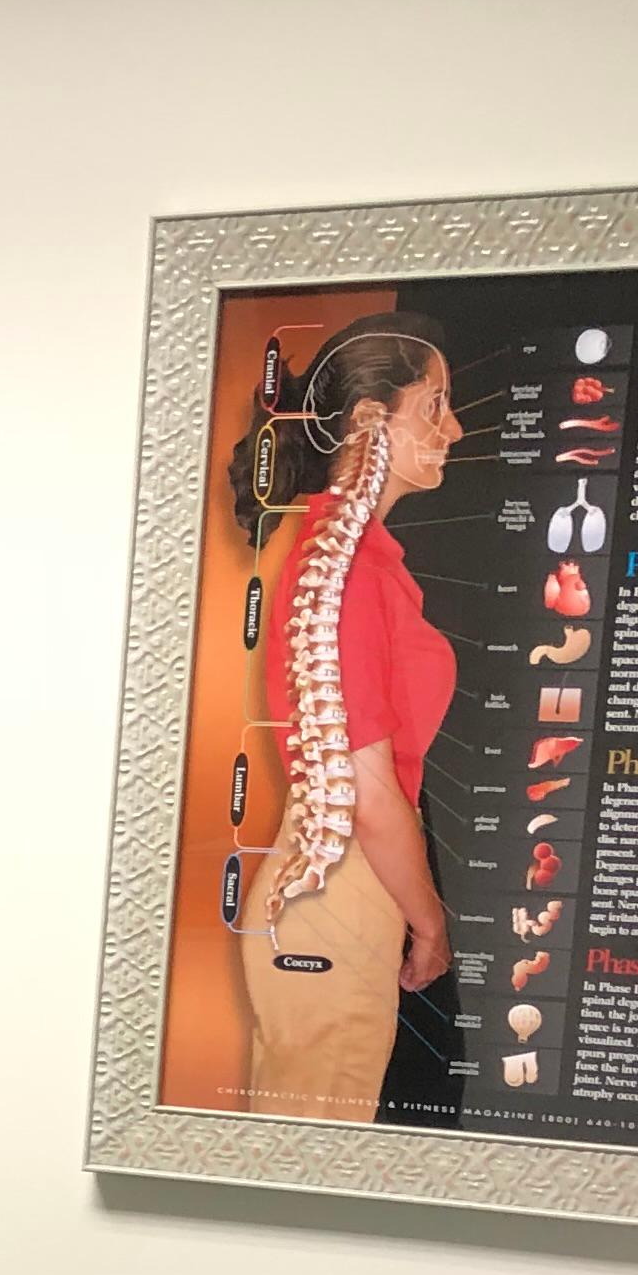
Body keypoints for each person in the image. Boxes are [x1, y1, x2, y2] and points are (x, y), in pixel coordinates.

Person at [228, 315, 461, 1122]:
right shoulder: (346, 571)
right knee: (310, 1146)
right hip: (339, 884)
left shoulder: (352, 561)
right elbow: (367, 790)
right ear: (370, 419)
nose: (454, 430)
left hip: (333, 887)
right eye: (434, 406)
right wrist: (431, 926)